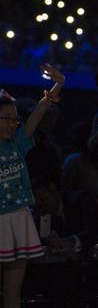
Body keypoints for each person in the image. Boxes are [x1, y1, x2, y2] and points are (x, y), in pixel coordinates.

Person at [0, 65, 64, 308]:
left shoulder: (18, 143)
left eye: (15, 119)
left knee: (13, 294)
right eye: (7, 118)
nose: (13, 124)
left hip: (19, 219)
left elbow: (39, 113)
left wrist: (58, 84)